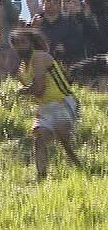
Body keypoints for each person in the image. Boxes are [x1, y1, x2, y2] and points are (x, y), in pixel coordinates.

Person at [11, 27, 81, 181]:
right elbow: (35, 91)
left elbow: (38, 88)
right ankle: (41, 176)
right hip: (44, 106)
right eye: (16, 44)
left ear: (31, 42)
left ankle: (77, 166)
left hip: (61, 101)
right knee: (39, 137)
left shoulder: (40, 57)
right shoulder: (22, 69)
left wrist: (23, 91)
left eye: (23, 42)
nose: (20, 47)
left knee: (64, 138)